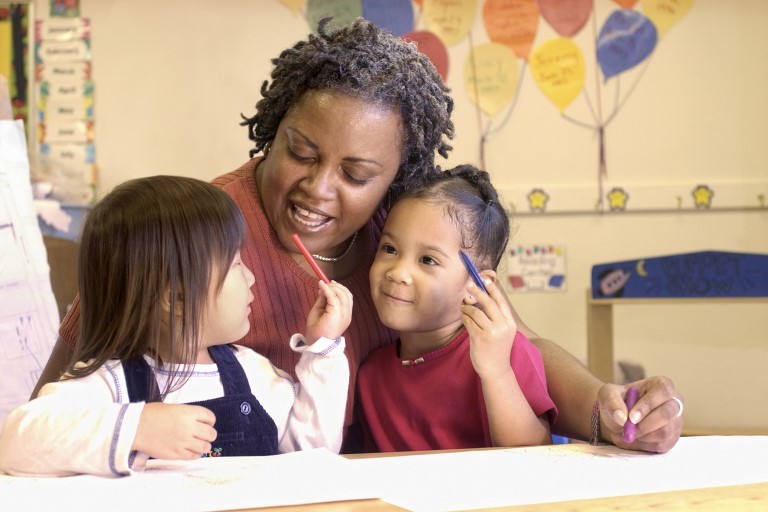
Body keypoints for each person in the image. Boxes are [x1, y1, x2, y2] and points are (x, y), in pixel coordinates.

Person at [32, 17, 684, 454]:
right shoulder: (197, 235)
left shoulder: (401, 234)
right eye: (301, 150)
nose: (318, 188)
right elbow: (60, 398)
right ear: (271, 127)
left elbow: (521, 348)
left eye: (357, 173)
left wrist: (607, 409)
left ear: (397, 177)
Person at [0, 176, 351, 477]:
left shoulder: (254, 373)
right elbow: (15, 443)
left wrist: (322, 349)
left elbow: (313, 455)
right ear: (176, 297)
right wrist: (137, 427)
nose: (251, 276)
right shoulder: (110, 382)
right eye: (235, 264)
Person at [358, 165, 556, 452]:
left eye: (427, 260)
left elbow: (534, 455)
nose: (397, 272)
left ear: (476, 284)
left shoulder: (506, 352)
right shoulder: (370, 375)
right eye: (389, 249)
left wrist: (496, 371)